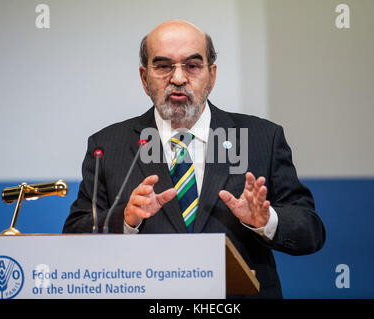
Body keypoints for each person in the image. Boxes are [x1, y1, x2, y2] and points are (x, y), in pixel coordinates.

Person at [63, 20, 325, 298]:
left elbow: (311, 231)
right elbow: (75, 234)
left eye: (192, 65)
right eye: (163, 66)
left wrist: (266, 220)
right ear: (144, 78)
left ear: (211, 75)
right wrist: (125, 220)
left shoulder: (261, 138)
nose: (177, 78)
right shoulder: (108, 145)